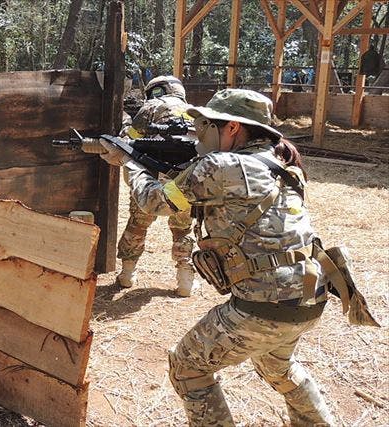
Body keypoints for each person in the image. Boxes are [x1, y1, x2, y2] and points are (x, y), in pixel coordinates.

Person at [100, 89, 338, 425]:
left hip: (263, 306)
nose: (200, 129)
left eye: (208, 123)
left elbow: (155, 203)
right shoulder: (283, 164)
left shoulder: (221, 166)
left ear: (233, 129)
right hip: (310, 297)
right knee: (278, 367)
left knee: (187, 367)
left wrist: (129, 162)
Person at [117, 75, 196, 297]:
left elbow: (130, 139)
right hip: (183, 179)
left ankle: (127, 274)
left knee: (138, 223)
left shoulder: (151, 107)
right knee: (183, 229)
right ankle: (185, 281)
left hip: (152, 177)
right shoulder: (194, 112)